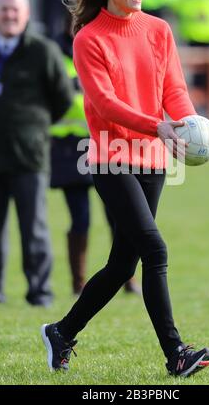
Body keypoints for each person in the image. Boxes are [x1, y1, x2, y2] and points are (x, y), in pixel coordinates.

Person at [41, 0, 209, 377]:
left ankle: (61, 332)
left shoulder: (159, 30)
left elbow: (173, 88)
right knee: (155, 249)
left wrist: (193, 127)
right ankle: (176, 353)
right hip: (112, 158)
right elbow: (103, 102)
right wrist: (156, 125)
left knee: (124, 263)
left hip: (155, 158)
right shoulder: (88, 38)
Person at [0, 0, 72, 306]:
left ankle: (40, 290)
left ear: (26, 14)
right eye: (3, 9)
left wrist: (33, 125)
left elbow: (62, 98)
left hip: (29, 154)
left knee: (33, 226)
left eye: (15, 10)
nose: (9, 15)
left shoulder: (42, 51)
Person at [50, 22, 141, 295]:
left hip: (105, 142)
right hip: (69, 146)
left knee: (118, 215)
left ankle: (127, 278)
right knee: (81, 218)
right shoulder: (55, 53)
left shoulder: (105, 48)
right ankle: (78, 283)